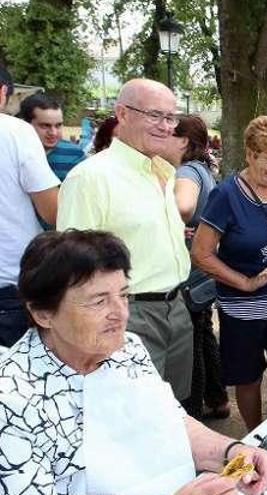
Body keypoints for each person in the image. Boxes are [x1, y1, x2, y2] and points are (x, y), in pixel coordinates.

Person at [0, 230, 267, 495]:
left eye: (123, 295)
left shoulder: (128, 348)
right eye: (98, 302)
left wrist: (233, 453)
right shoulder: (12, 401)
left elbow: (171, 423)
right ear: (42, 314)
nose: (120, 314)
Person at [57, 78, 194, 401]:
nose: (165, 126)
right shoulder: (91, 178)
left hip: (177, 308)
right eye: (155, 115)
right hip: (128, 315)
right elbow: (71, 269)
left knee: (178, 413)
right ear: (123, 114)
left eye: (171, 117)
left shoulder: (164, 170)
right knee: (135, 414)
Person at [191, 116, 267, 430]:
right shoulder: (226, 194)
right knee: (248, 378)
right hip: (243, 309)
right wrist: (245, 282)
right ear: (250, 154)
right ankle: (256, 435)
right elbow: (200, 253)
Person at [159, 114, 230, 421]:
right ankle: (217, 399)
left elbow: (184, 206)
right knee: (203, 337)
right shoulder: (203, 170)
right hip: (202, 273)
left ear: (184, 141)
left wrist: (161, 217)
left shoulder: (187, 171)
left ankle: (195, 411)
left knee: (192, 346)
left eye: (169, 134)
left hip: (189, 274)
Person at [0, 64, 60, 348]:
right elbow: (54, 211)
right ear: (3, 93)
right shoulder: (16, 132)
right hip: (10, 284)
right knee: (16, 386)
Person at [17, 93, 86, 182]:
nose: (53, 133)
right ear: (25, 124)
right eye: (45, 126)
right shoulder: (10, 154)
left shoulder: (76, 155)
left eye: (58, 125)